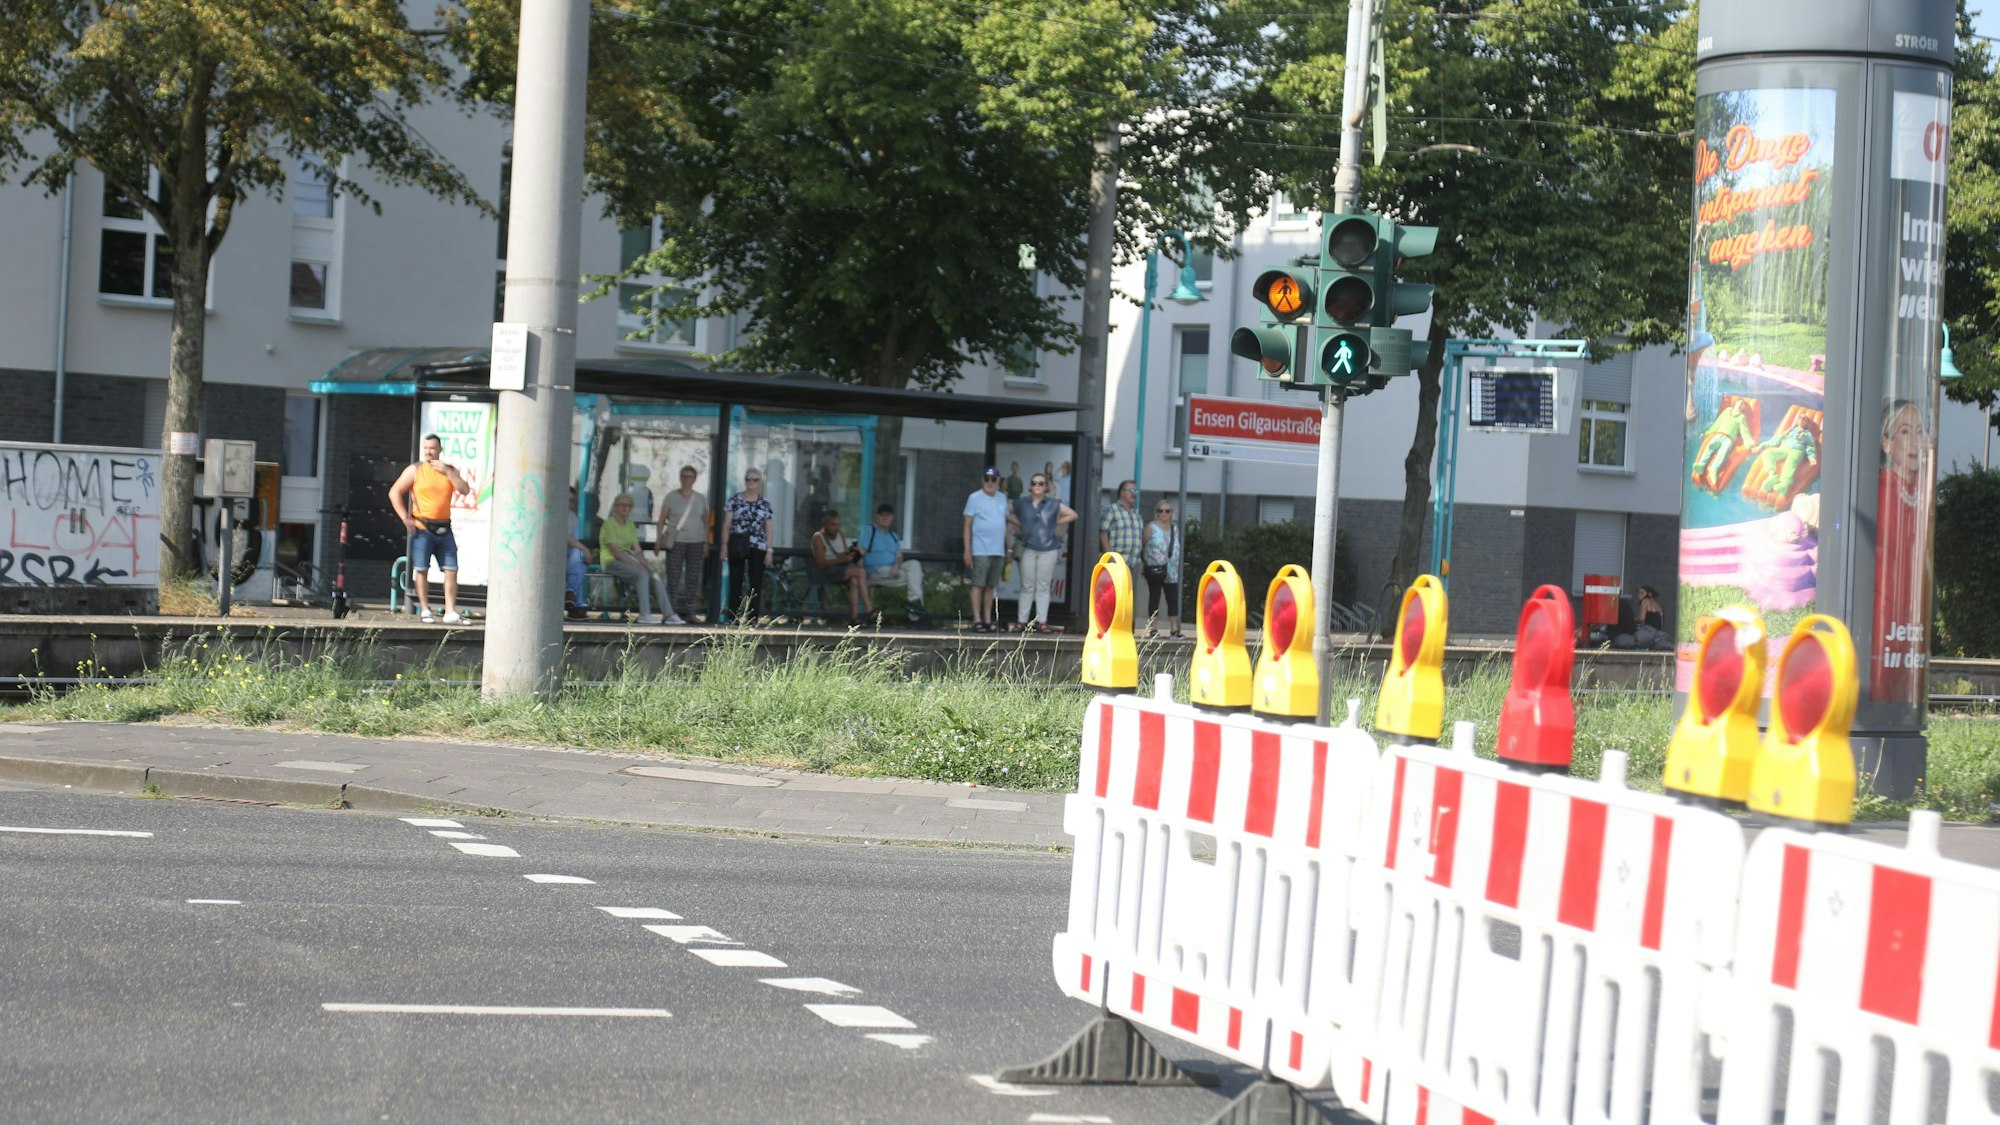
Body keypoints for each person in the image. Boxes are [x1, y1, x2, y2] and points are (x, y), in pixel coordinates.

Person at [1872, 399, 1933, 702]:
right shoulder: (1879, 488)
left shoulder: (1923, 488)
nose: (1915, 441)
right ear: (1886, 443)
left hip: (1911, 623)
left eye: (1920, 432)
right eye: (1905, 431)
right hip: (1882, 620)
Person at [387, 433, 471, 624]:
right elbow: (394, 492)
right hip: (422, 527)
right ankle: (425, 609)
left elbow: (465, 490)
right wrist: (405, 518)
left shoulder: (449, 470)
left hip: (444, 528)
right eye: (425, 448)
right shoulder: (415, 469)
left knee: (451, 569)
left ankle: (450, 611)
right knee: (421, 569)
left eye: (432, 448)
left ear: (440, 450)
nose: (428, 452)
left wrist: (448, 473)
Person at [1008, 471, 1076, 633]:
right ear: (1030, 487)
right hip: (1028, 548)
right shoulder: (1022, 502)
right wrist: (1017, 523)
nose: (1037, 486)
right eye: (1034, 483)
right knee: (1027, 586)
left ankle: (1042, 622)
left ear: (1046, 487)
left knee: (1043, 586)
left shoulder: (1053, 503)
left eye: (1040, 483)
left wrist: (1055, 522)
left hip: (1048, 549)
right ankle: (1021, 621)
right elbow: (1005, 511)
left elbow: (1073, 514)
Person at [601, 493, 669, 625]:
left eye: (627, 505)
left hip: (628, 558)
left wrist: (643, 562)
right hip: (611, 561)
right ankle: (645, 614)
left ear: (631, 508)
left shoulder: (630, 524)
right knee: (641, 574)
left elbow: (637, 548)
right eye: (621, 504)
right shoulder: (609, 524)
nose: (624, 507)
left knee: (654, 575)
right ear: (615, 507)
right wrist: (636, 565)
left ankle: (669, 614)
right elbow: (615, 551)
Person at [721, 468, 775, 622]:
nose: (751, 482)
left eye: (755, 479)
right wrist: (724, 546)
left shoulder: (764, 504)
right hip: (737, 543)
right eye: (748, 478)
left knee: (755, 582)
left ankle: (752, 617)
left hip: (758, 546)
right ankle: (732, 615)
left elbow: (769, 528)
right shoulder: (735, 500)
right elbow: (726, 524)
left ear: (760, 482)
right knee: (736, 580)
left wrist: (769, 550)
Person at [962, 467, 1011, 632]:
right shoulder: (974, 498)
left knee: (991, 586)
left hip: (998, 550)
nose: (989, 482)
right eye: (986, 479)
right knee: (978, 584)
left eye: (993, 479)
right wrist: (967, 550)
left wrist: (1008, 549)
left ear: (998, 481)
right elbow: (967, 525)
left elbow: (1004, 524)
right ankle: (977, 619)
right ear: (983, 480)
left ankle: (988, 619)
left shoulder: (1003, 498)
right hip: (980, 548)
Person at [657, 464, 705, 625]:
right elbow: (662, 519)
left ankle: (691, 612)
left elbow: (705, 522)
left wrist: (706, 543)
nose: (687, 479)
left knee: (693, 578)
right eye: (684, 476)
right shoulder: (671, 496)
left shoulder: (700, 498)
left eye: (690, 476)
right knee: (673, 578)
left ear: (695, 479)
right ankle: (670, 612)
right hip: (676, 542)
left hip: (696, 542)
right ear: (680, 477)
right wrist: (658, 540)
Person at [861, 503, 926, 624]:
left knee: (915, 565)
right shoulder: (870, 530)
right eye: (882, 515)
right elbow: (861, 551)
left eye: (888, 515)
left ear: (892, 518)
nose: (885, 518)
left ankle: (915, 604)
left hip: (892, 570)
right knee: (915, 579)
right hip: (877, 571)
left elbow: (898, 556)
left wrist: (896, 566)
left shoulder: (893, 536)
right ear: (877, 517)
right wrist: (859, 573)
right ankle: (916, 617)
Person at [811, 509, 873, 626]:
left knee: (854, 580)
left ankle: (854, 617)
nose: (836, 527)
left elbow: (843, 553)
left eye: (838, 524)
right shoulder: (818, 538)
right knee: (860, 572)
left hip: (842, 567)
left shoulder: (840, 534)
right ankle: (868, 608)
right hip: (828, 571)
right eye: (833, 525)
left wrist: (850, 555)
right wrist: (841, 560)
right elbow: (821, 563)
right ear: (825, 524)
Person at [1141, 499, 1184, 638]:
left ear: (1171, 513)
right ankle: (1153, 628)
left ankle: (1174, 628)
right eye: (1161, 511)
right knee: (1154, 597)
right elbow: (1144, 545)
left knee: (1172, 598)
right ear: (1157, 512)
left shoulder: (1175, 529)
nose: (1164, 513)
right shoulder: (1151, 527)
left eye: (1167, 511)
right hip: (1155, 569)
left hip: (1172, 571)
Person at [1692, 398, 1755, 490]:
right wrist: (1707, 433)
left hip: (1729, 439)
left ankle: (1714, 468)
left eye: (1743, 405)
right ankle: (1701, 465)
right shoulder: (1727, 411)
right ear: (1735, 404)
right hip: (1719, 435)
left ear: (1743, 409)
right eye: (1740, 403)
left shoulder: (1742, 417)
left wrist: (1750, 444)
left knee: (1723, 451)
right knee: (1710, 447)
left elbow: (1745, 431)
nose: (1741, 405)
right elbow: (1717, 423)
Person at [1099, 479, 1143, 566]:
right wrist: (1110, 557)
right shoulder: (1112, 509)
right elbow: (1103, 533)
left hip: (1134, 563)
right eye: (1132, 491)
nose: (1134, 494)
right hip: (1117, 562)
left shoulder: (1136, 514)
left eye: (1136, 491)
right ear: (1122, 493)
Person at [564, 486, 590, 621]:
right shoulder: (554, 514)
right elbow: (565, 538)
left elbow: (572, 540)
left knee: (578, 558)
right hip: (552, 556)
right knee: (579, 557)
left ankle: (571, 594)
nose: (568, 503)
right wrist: (585, 550)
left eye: (571, 501)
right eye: (566, 499)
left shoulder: (572, 517)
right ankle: (575, 604)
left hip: (567, 557)